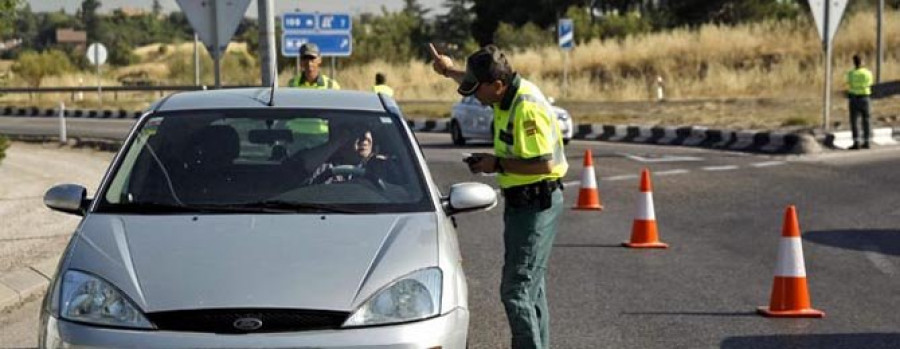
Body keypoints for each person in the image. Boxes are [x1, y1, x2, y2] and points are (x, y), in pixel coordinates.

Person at [430, 43, 567, 349]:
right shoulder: (503, 95)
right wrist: (447, 69)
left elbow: (545, 163)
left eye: (478, 90)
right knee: (532, 288)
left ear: (498, 85)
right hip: (522, 202)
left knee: (516, 290)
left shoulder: (525, 107)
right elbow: (473, 80)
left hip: (536, 203)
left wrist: (496, 164)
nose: (476, 98)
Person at [304, 130, 390, 186]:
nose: (364, 139)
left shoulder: (380, 167)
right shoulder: (323, 168)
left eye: (367, 131)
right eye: (357, 132)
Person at [846, 54, 874, 149]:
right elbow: (870, 83)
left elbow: (848, 83)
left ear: (854, 62)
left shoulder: (851, 73)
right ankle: (867, 141)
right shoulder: (868, 73)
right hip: (865, 98)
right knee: (867, 120)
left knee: (854, 121)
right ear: (862, 62)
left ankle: (856, 142)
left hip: (854, 98)